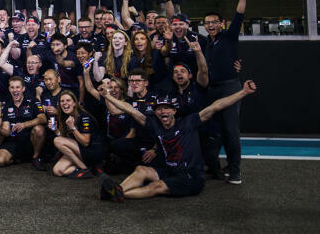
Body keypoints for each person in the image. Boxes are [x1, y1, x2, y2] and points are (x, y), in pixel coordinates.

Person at [99, 81, 257, 202]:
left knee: (157, 187)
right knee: (141, 169)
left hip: (191, 177)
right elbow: (130, 110)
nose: (163, 111)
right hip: (170, 172)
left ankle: (118, 194)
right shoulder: (155, 125)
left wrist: (243, 92)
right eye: (159, 109)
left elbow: (216, 106)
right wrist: (106, 96)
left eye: (167, 108)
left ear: (174, 111)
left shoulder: (188, 123)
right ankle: (117, 190)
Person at [201, 0, 249, 185]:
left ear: (221, 23)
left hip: (229, 87)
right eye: (207, 23)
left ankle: (235, 171)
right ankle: (220, 166)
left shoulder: (229, 37)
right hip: (212, 89)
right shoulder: (207, 43)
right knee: (215, 131)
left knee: (230, 130)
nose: (210, 25)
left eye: (214, 22)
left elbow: (239, 16)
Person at [0, 76, 47, 169]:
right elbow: (6, 131)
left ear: (23, 88)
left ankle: (36, 157)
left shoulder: (33, 101)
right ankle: (18, 159)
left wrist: (25, 124)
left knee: (39, 129)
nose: (15, 90)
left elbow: (43, 118)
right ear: (9, 89)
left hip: (30, 140)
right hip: (14, 141)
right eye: (12, 87)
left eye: (18, 87)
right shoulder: (6, 104)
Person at [51, 90, 104, 179]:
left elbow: (85, 142)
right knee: (57, 171)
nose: (65, 103)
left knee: (57, 140)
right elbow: (66, 141)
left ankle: (83, 167)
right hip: (79, 150)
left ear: (75, 103)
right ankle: (89, 168)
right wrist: (56, 130)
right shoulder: (66, 117)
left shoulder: (84, 117)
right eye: (62, 101)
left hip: (92, 150)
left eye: (68, 100)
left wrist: (73, 128)